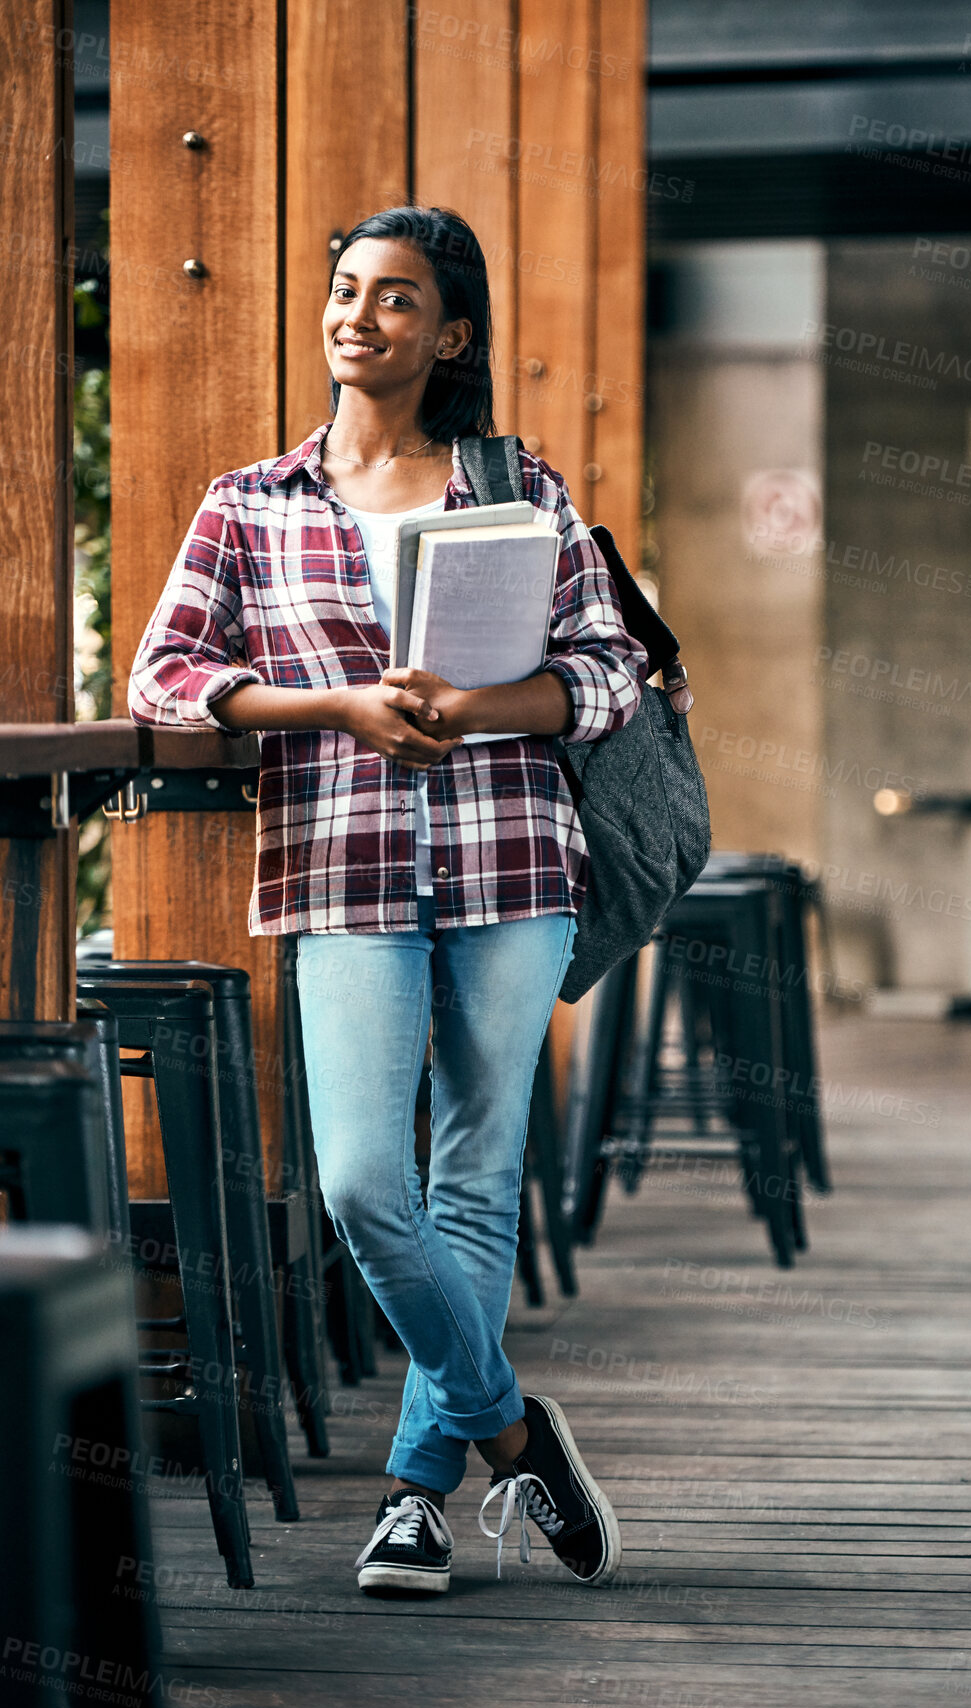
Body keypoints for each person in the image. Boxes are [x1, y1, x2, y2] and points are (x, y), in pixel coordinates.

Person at [128, 204, 648, 1596]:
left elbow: (608, 675)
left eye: (399, 298)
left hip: (513, 856)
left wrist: (474, 706)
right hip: (340, 858)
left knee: (474, 1182)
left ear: (451, 333)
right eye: (347, 290)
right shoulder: (250, 503)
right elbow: (163, 676)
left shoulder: (515, 487)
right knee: (364, 1179)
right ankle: (515, 1432)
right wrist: (337, 708)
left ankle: (415, 1497)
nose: (360, 315)